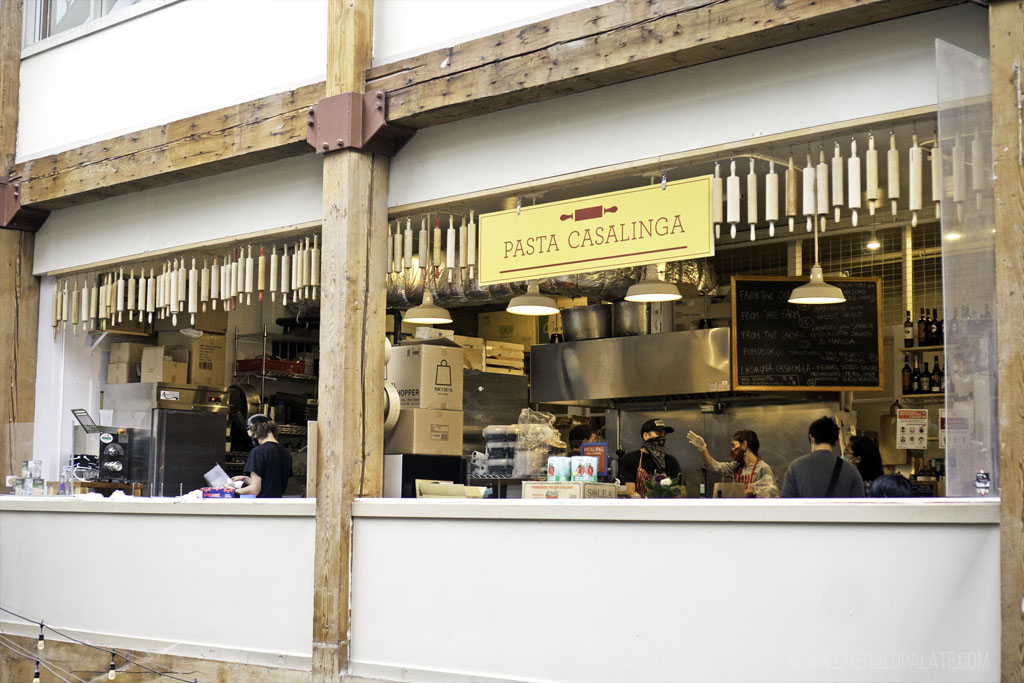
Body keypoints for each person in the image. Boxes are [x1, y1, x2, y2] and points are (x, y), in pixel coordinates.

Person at [781, 416, 865, 498]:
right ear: (837, 441)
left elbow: (786, 504)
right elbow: (859, 506)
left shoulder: (795, 467)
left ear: (811, 438)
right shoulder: (851, 470)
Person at [686, 429, 779, 498]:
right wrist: (702, 448)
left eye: (734, 446)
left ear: (744, 445)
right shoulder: (736, 467)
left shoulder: (763, 468)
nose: (732, 449)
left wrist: (753, 492)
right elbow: (713, 466)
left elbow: (773, 495)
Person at [231, 414, 293, 498]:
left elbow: (254, 490)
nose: (252, 438)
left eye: (251, 436)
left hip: (261, 507)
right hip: (277, 505)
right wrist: (246, 479)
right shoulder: (286, 452)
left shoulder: (258, 452)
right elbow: (271, 482)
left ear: (255, 430)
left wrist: (233, 491)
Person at [617, 418, 681, 496]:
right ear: (646, 436)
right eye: (659, 433)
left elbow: (681, 491)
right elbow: (630, 492)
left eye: (664, 434)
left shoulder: (671, 461)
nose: (662, 437)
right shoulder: (630, 459)